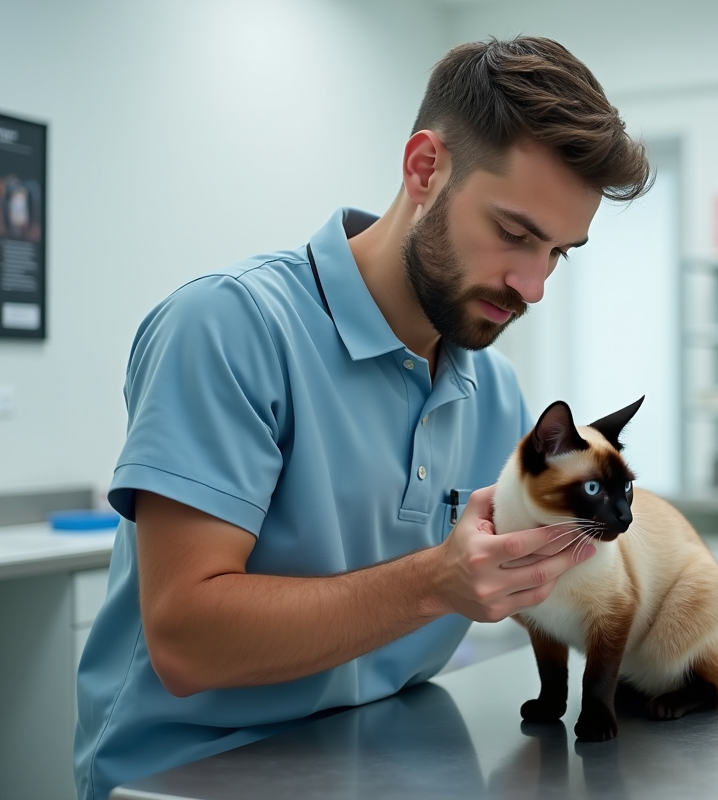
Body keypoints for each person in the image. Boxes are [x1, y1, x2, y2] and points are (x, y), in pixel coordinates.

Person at [75, 35, 652, 800]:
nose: (533, 285)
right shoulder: (227, 328)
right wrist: (436, 584)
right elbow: (186, 642)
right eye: (514, 234)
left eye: (558, 253)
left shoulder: (498, 393)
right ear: (424, 168)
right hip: (184, 778)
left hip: (379, 762)